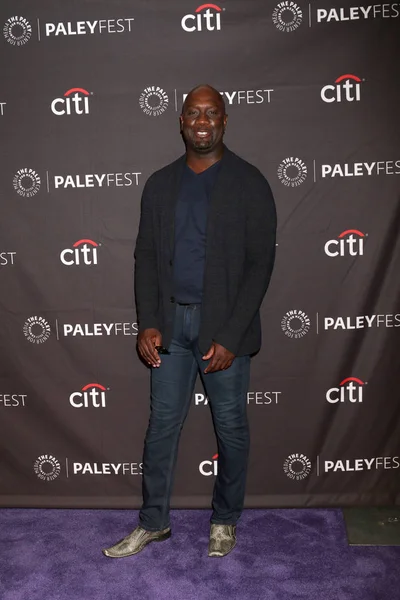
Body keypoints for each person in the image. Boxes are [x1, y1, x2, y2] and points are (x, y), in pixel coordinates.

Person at [103, 84, 277, 559]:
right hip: (170, 328)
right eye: (193, 113)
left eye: (211, 113)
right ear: (180, 122)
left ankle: (224, 520)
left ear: (225, 120)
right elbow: (145, 258)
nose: (202, 121)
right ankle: (153, 522)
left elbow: (260, 265)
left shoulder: (250, 181)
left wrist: (231, 335)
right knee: (161, 425)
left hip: (224, 330)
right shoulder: (160, 183)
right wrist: (148, 322)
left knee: (231, 427)